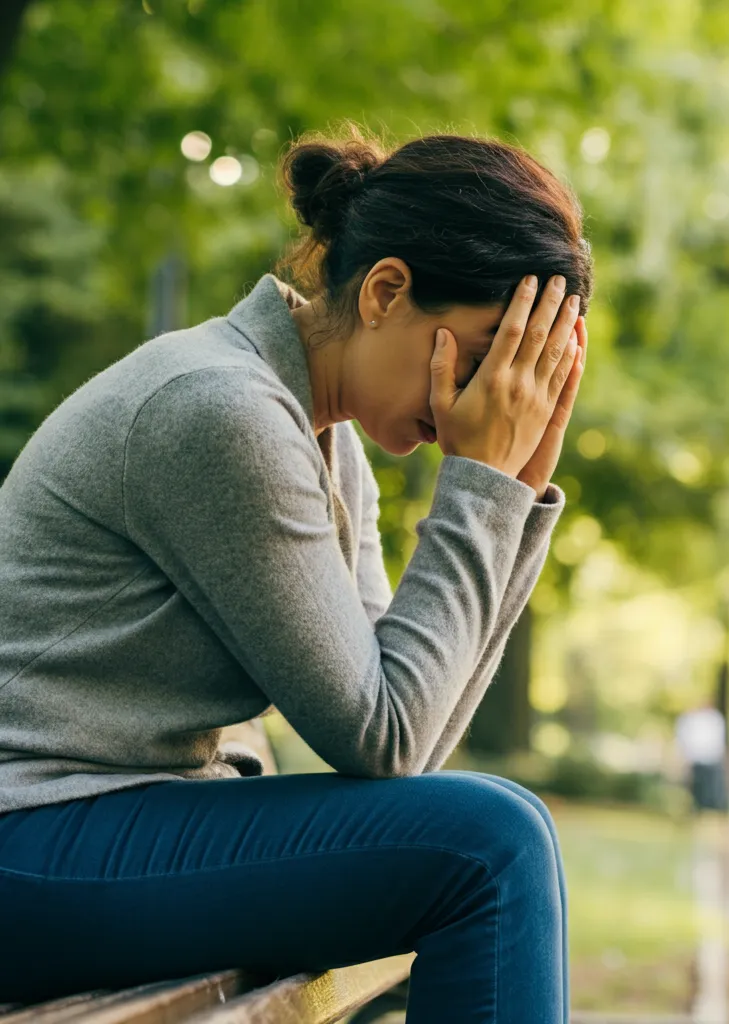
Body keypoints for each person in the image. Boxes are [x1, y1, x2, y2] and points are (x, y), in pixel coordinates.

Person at [0, 127, 593, 1023]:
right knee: (491, 845)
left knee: (501, 826)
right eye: (482, 361)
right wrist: (483, 488)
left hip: (92, 828)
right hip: (31, 836)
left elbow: (407, 745)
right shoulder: (219, 409)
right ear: (387, 291)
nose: (485, 404)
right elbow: (383, 739)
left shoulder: (322, 436)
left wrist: (515, 490)